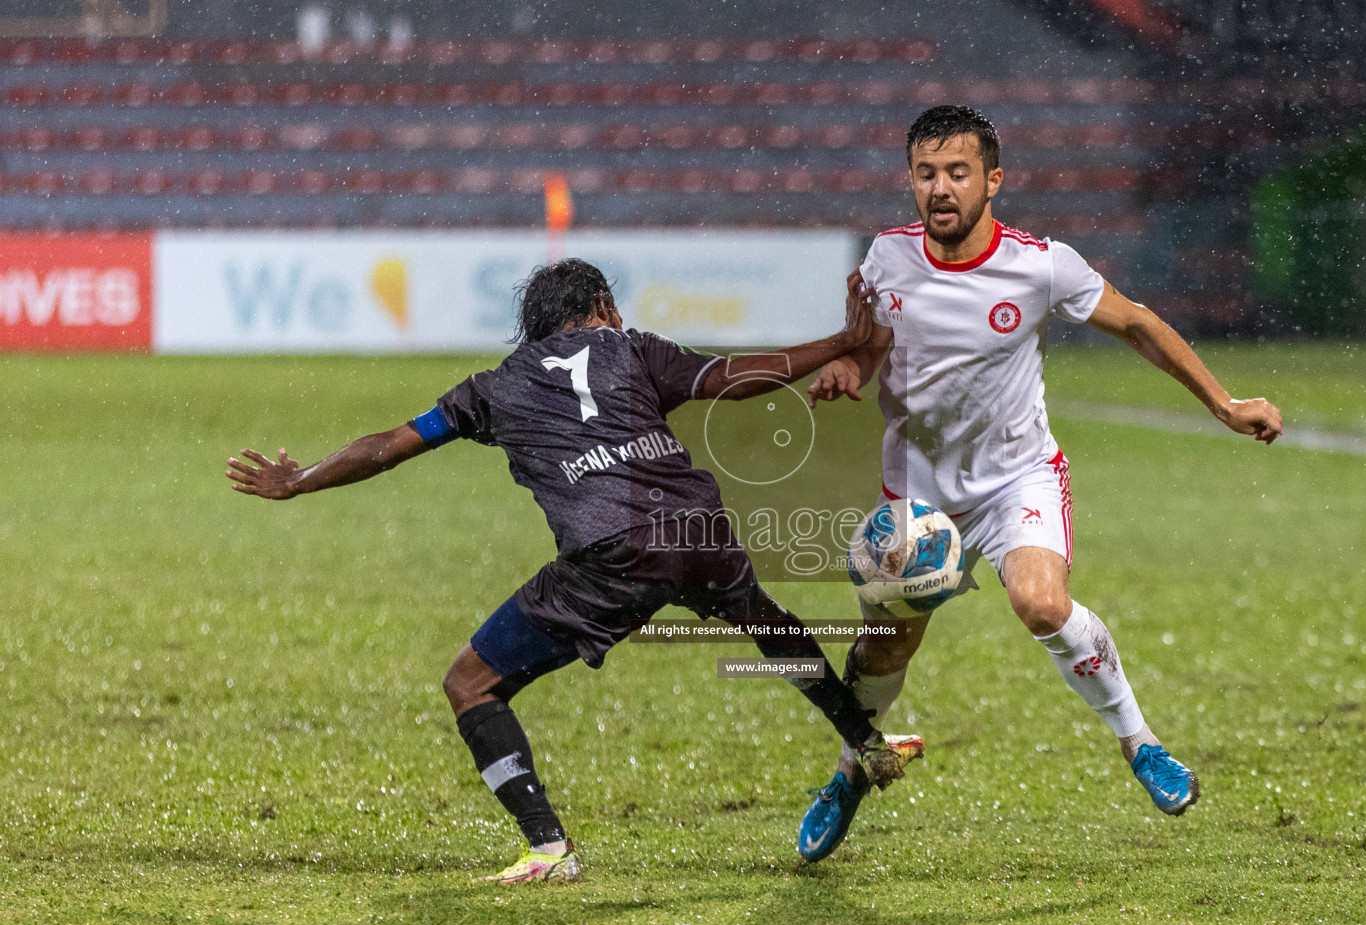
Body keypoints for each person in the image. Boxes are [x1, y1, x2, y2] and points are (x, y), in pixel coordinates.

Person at [226, 258, 917, 884]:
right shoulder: (633, 348)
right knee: (765, 620)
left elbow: (389, 447)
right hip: (697, 531)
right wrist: (840, 341)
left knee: (470, 684)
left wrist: (303, 480)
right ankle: (862, 740)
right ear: (603, 306)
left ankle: (547, 848)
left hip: (611, 552)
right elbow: (733, 381)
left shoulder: (492, 389)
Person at [795, 105, 1284, 862]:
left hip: (1016, 478)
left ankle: (1139, 742)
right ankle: (853, 766)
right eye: (926, 174)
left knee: (1042, 603)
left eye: (957, 172)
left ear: (993, 179)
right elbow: (868, 350)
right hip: (918, 498)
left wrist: (1224, 403)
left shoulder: (1041, 264)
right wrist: (845, 369)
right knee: (883, 653)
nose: (941, 189)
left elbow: (1140, 325)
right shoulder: (885, 260)